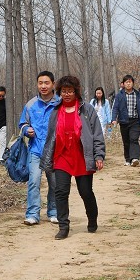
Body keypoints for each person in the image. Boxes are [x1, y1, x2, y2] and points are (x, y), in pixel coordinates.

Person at [40, 75, 105, 240]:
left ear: (76, 92)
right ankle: (63, 226)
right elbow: (50, 136)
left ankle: (92, 218)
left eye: (70, 91)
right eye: (64, 91)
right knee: (60, 191)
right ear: (59, 92)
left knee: (86, 192)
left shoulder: (86, 109)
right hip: (62, 156)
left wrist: (99, 155)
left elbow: (97, 134)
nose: (67, 94)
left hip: (82, 157)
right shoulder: (56, 110)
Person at [19, 71, 60, 225]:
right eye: (40, 83)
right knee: (34, 181)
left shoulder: (60, 103)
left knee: (55, 183)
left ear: (53, 84)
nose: (43, 86)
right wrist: (26, 130)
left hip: (54, 151)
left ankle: (54, 212)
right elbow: (22, 123)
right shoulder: (30, 105)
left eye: (46, 83)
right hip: (35, 149)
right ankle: (32, 214)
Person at [111, 74, 140, 167]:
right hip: (124, 121)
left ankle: (134, 158)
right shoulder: (119, 95)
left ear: (133, 83)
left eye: (130, 82)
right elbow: (115, 108)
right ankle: (128, 159)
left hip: (135, 121)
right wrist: (114, 119)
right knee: (126, 141)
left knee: (134, 139)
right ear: (123, 84)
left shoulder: (138, 94)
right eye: (126, 82)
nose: (128, 84)